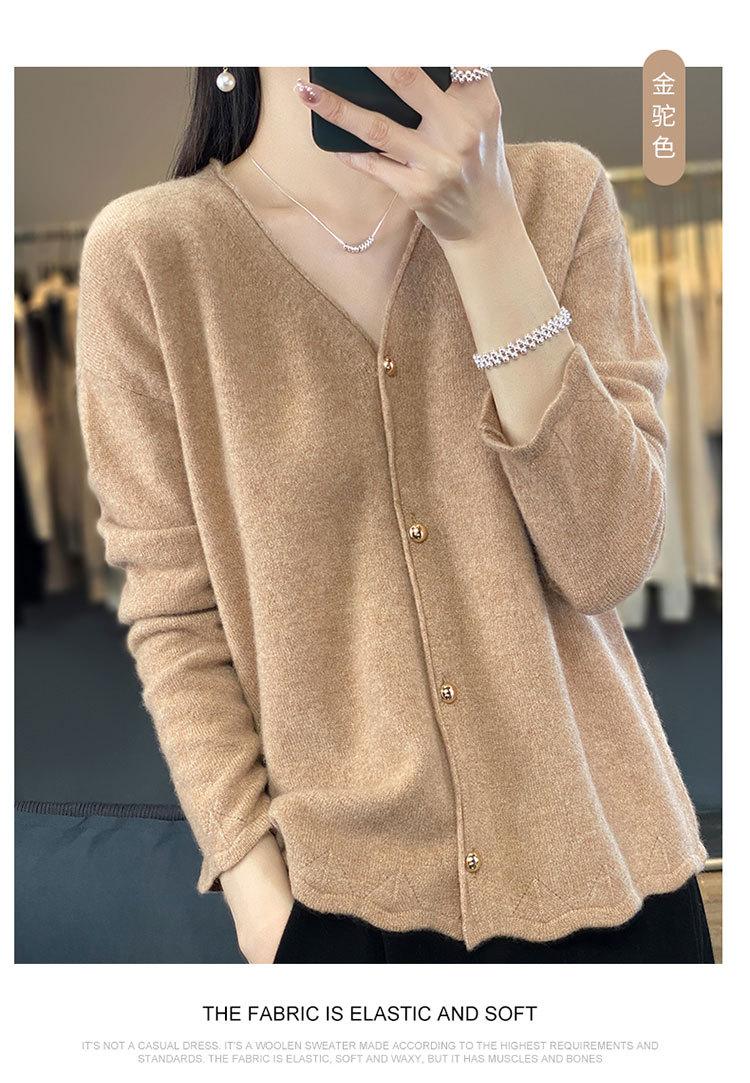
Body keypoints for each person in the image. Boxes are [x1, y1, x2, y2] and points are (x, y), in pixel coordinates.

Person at [75, 67, 714, 964]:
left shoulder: (556, 197)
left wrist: (487, 236)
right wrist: (256, 891)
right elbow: (176, 615)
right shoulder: (150, 256)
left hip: (613, 882)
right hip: (341, 910)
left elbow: (608, 558)